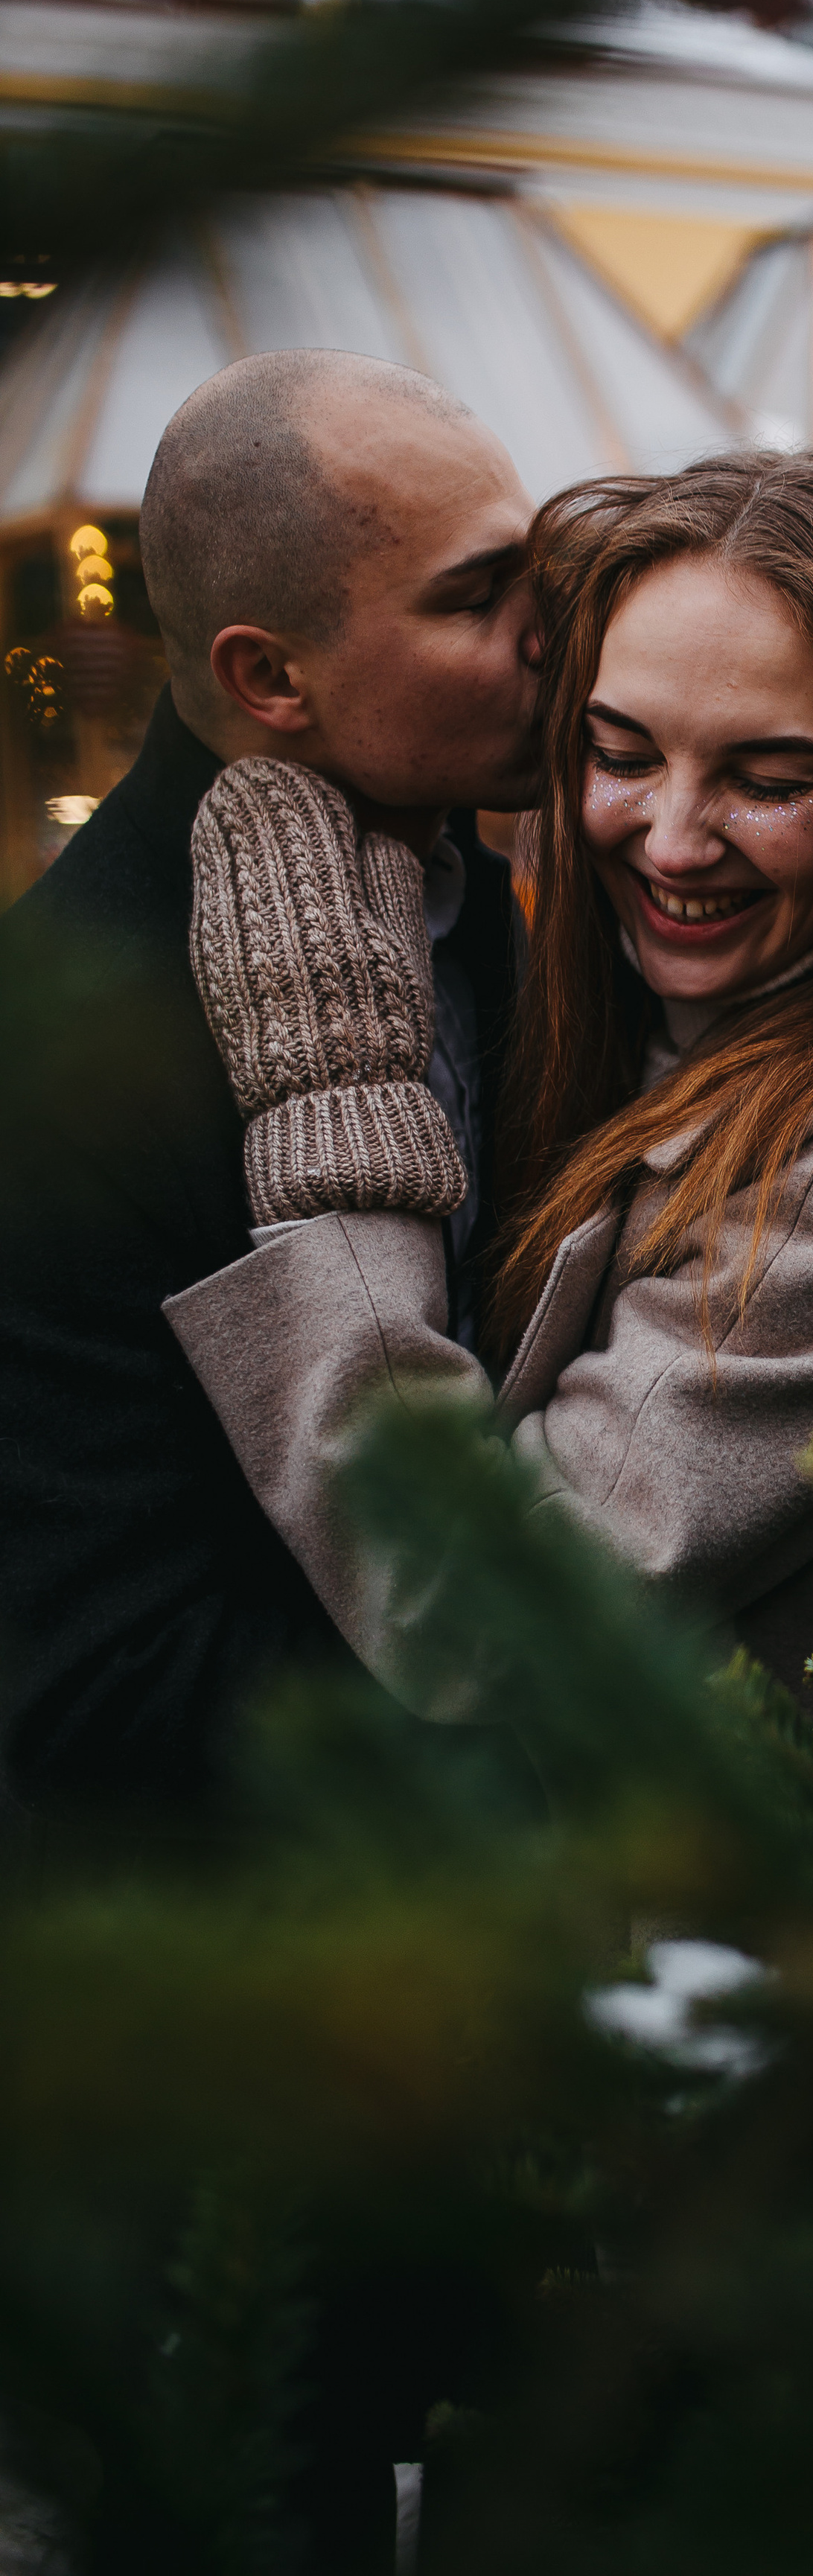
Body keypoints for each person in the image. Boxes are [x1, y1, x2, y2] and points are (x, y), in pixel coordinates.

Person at [162, 449, 813, 1721]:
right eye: (622, 754)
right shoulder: (626, 1024)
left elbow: (481, 1615)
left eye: (771, 779)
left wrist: (334, 1093)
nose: (674, 840)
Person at [0, 348, 542, 1841]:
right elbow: (95, 1680)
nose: (547, 633)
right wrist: (562, 1734)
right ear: (270, 677)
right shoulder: (68, 1046)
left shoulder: (465, 882)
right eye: (473, 596)